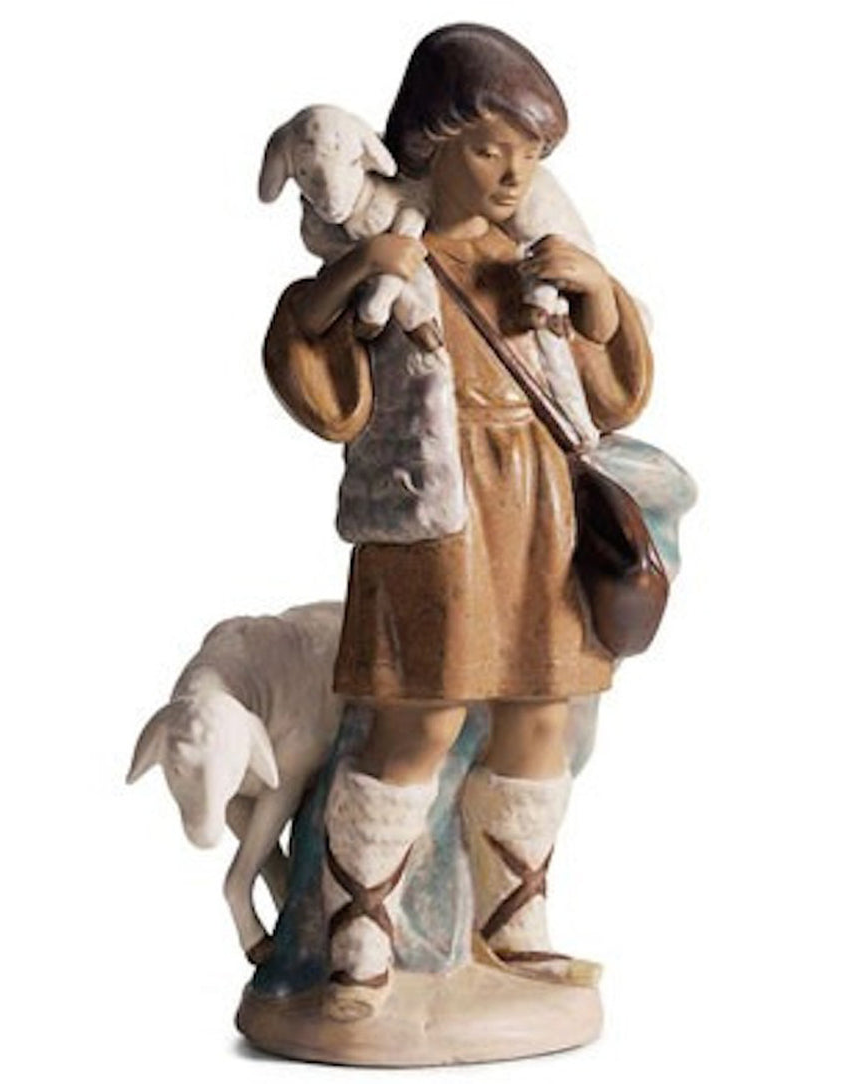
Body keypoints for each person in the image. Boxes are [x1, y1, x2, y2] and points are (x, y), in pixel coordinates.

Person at [262, 23, 654, 1022]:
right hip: (431, 516)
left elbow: (614, 397)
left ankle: (515, 915)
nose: (514, 172)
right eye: (488, 148)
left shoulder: (537, 262)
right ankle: (360, 930)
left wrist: (598, 297)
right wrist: (358, 272)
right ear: (429, 147)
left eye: (530, 152)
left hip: (541, 512)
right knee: (422, 716)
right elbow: (321, 391)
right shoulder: (392, 260)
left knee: (539, 711)